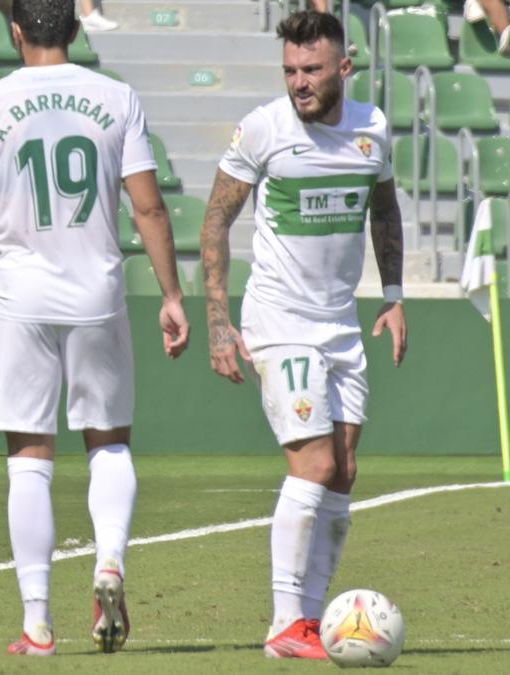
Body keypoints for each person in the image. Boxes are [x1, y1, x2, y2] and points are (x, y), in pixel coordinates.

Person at [0, 0, 190, 656]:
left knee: (30, 457)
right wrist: (171, 293)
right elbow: (148, 205)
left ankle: (36, 623)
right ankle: (109, 560)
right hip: (98, 293)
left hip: (23, 294)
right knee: (108, 443)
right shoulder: (115, 97)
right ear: (77, 30)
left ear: (16, 31)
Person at [199, 11, 407, 660]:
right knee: (313, 462)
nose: (299, 82)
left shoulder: (371, 129)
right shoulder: (264, 130)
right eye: (290, 70)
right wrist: (218, 321)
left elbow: (384, 209)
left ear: (344, 67)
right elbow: (215, 220)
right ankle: (286, 621)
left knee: (343, 471)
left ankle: (313, 622)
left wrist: (394, 297)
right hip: (279, 320)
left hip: (340, 321)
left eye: (312, 70)